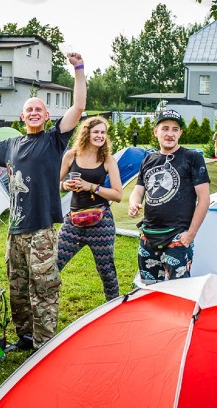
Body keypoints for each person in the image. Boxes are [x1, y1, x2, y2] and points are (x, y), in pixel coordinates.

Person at [0, 52, 87, 352]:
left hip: (41, 230)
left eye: (39, 108)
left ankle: (45, 344)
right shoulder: (12, 144)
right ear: (22, 116)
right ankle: (26, 337)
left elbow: (79, 106)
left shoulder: (54, 141)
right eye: (29, 109)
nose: (34, 112)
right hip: (15, 232)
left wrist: (78, 69)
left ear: (47, 116)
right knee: (18, 291)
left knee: (44, 288)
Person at [129, 110, 211, 283]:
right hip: (148, 235)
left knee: (179, 290)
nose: (170, 134)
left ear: (180, 133)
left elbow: (204, 199)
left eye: (175, 129)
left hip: (177, 236)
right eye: (165, 128)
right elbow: (138, 190)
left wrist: (190, 234)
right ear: (155, 131)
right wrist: (134, 203)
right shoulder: (149, 159)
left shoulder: (192, 158)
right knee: (149, 289)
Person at [57, 116, 123, 301]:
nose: (100, 136)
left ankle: (113, 308)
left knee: (106, 271)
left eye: (103, 132)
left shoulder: (107, 160)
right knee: (53, 265)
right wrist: (65, 186)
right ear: (86, 133)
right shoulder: (71, 155)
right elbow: (54, 183)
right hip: (74, 222)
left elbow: (118, 195)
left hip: (101, 223)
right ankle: (45, 306)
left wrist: (91, 186)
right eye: (96, 132)